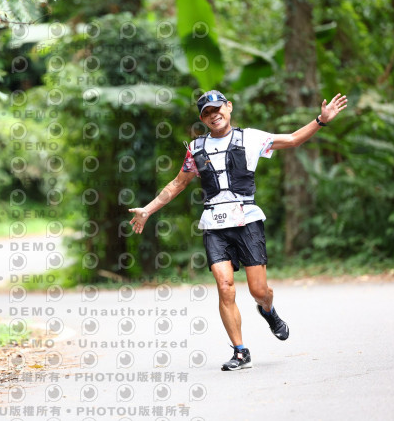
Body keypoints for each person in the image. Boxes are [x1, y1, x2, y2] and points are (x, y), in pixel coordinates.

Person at [129, 90, 347, 371]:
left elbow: (293, 139)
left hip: (247, 221)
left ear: (229, 107)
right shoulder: (196, 148)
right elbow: (177, 184)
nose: (214, 115)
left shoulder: (251, 138)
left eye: (217, 109)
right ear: (202, 119)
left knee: (259, 290)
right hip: (215, 225)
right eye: (207, 113)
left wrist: (321, 120)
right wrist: (147, 210)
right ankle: (240, 351)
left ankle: (268, 310)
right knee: (225, 287)